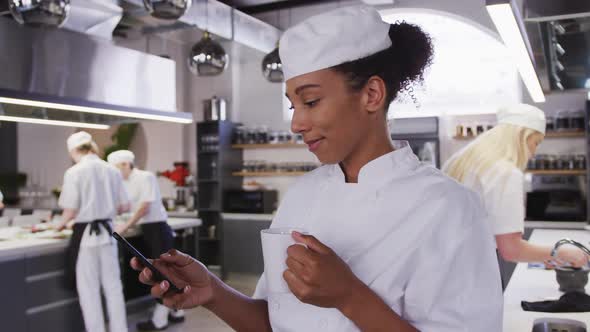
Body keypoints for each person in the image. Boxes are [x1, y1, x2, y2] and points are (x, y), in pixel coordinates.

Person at [130, 6, 503, 331]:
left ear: (372, 95)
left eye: (311, 100)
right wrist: (212, 291)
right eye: (294, 105)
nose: (297, 123)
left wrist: (350, 296)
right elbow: (274, 322)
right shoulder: (303, 195)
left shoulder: (449, 209)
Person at [443, 104, 589, 288]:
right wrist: (563, 252)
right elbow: (511, 250)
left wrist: (541, 255)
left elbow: (481, 229)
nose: (534, 152)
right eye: (536, 143)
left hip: (447, 269)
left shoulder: (464, 161)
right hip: (473, 273)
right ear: (522, 137)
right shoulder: (505, 172)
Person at [55, 131, 130, 332]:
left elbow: (69, 210)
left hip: (86, 238)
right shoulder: (112, 170)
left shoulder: (74, 172)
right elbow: (124, 206)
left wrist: (58, 225)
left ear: (73, 151)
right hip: (108, 233)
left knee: (89, 292)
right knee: (114, 288)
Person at [107, 150, 185, 331]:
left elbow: (144, 207)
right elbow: (124, 206)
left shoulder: (146, 177)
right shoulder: (123, 182)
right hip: (143, 231)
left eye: (117, 169)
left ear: (126, 164)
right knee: (155, 273)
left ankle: (160, 320)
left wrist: (124, 227)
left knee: (162, 273)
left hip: (156, 228)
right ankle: (177, 312)